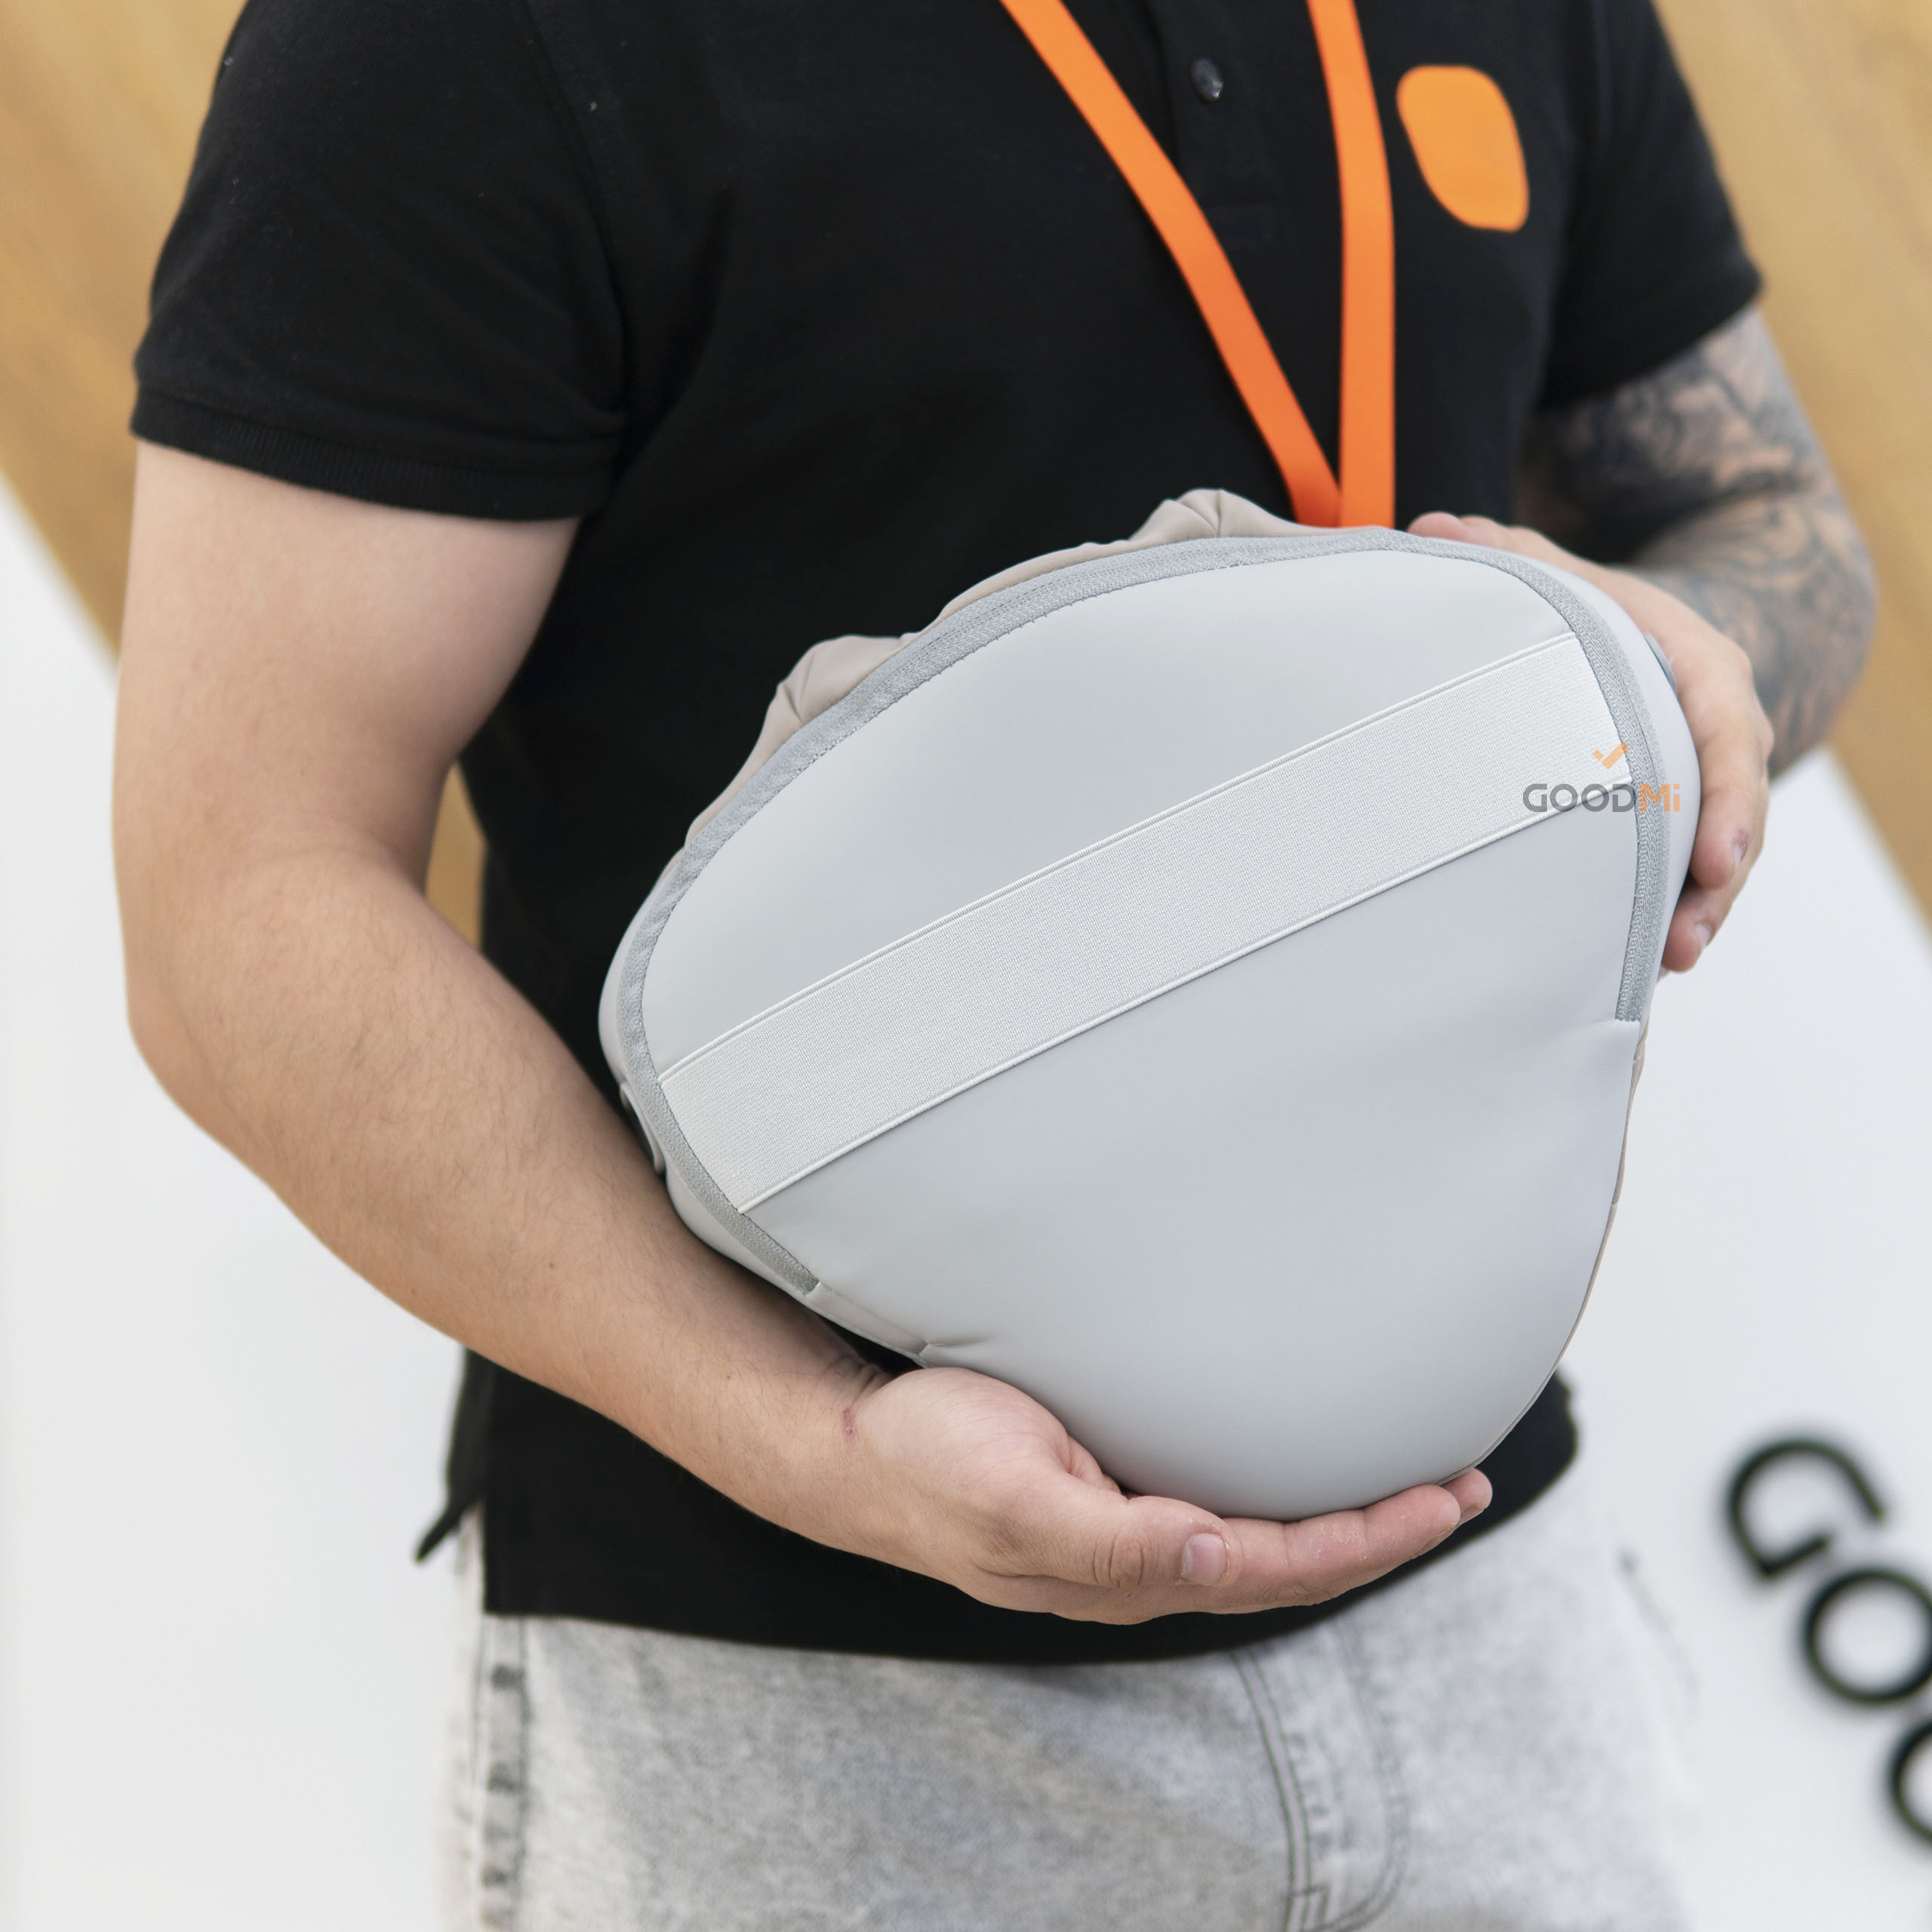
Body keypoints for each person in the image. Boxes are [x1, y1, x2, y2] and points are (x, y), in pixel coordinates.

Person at [114, 0, 1872, 1922]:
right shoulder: (457, 43)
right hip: (813, 1705)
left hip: (1488, 1627)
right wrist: (819, 1441)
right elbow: (240, 904)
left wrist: (1662, 670)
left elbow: (1760, 517)